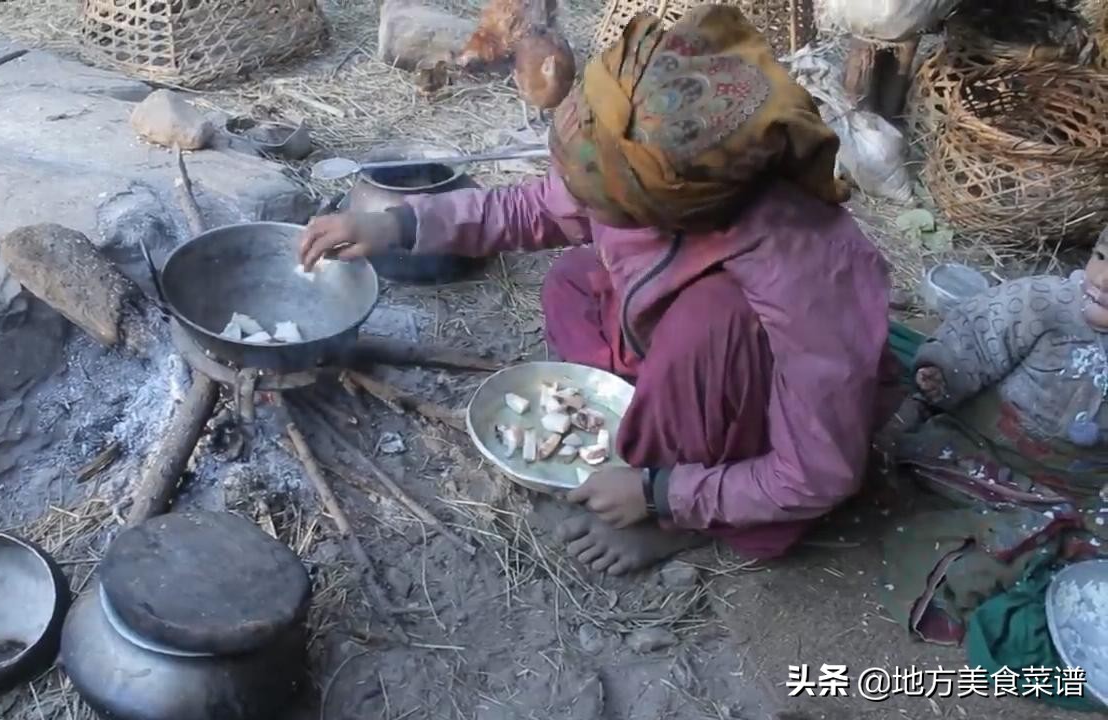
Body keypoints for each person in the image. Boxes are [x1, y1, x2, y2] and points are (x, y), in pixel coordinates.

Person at [300, 6, 901, 574]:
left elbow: (817, 473)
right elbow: (538, 208)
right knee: (572, 281)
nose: (580, 200)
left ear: (670, 207)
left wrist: (661, 494)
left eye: (600, 198)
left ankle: (675, 511)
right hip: (669, 318)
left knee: (707, 325)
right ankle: (660, 410)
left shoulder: (809, 270)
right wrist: (398, 224)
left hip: (749, 386)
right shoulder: (647, 159)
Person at [900, 227, 1108, 507]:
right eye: (1101, 256)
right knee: (921, 453)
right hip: (981, 440)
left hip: (1074, 481)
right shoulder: (1046, 301)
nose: (1102, 279)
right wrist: (943, 370)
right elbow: (980, 331)